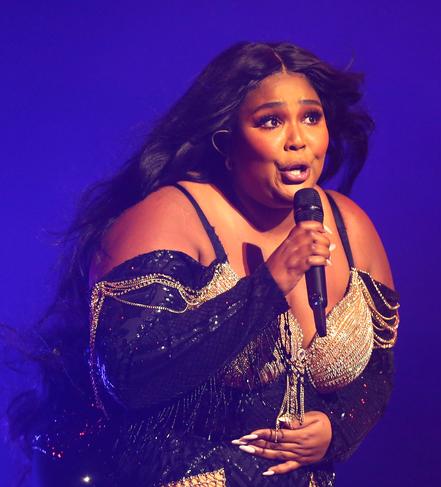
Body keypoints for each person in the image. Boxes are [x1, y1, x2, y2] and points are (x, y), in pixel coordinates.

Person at [9, 41, 399, 486]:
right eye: (270, 121)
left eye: (311, 117)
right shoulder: (170, 217)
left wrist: (336, 429)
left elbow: (378, 374)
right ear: (227, 142)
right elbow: (129, 376)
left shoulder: (349, 225)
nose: (298, 140)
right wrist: (269, 283)